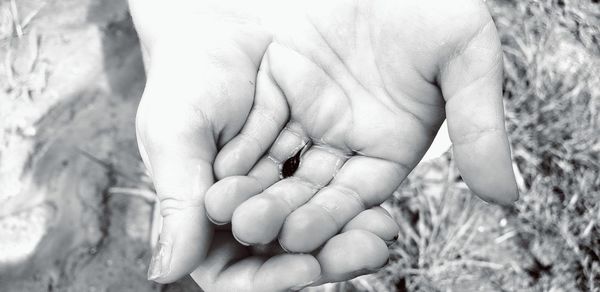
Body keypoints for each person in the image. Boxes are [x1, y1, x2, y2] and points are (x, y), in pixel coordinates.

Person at [129, 0, 519, 290]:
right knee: (249, 193)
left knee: (390, 149)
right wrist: (184, 20)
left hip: (395, 88)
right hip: (250, 43)